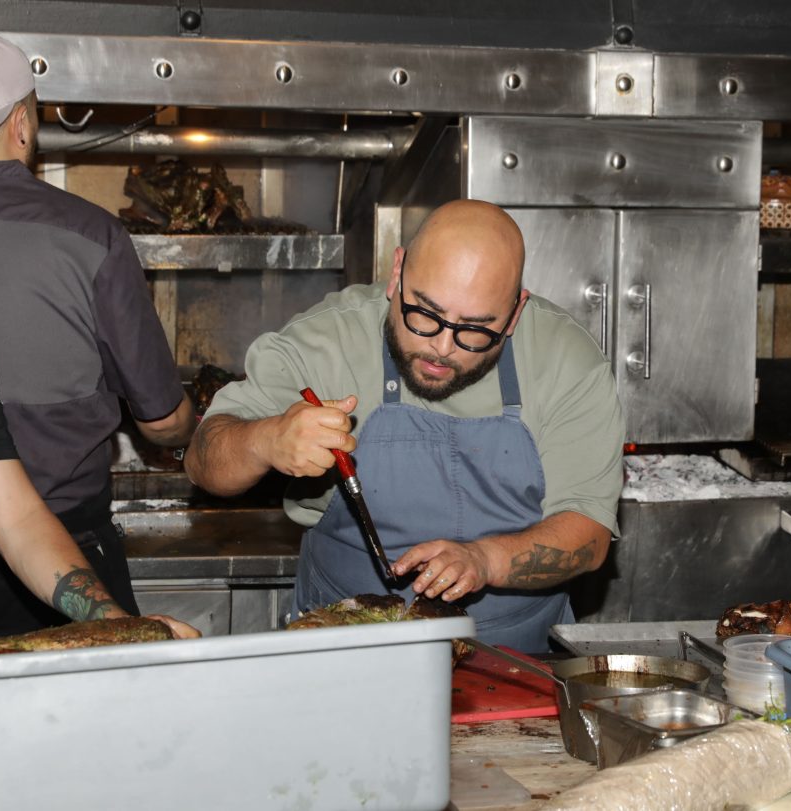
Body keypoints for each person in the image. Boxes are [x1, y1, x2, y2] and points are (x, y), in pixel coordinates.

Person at [185, 199, 625, 651]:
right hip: (341, 648)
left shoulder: (568, 362)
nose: (442, 348)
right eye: (425, 314)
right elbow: (204, 461)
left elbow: (588, 533)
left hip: (516, 657)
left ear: (514, 314)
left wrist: (486, 559)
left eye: (475, 330)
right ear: (397, 273)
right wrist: (264, 440)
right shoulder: (329, 342)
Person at [0, 30, 197, 645]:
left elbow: (12, 512)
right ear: (21, 122)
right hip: (62, 533)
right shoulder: (92, 236)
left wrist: (119, 626)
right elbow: (161, 419)